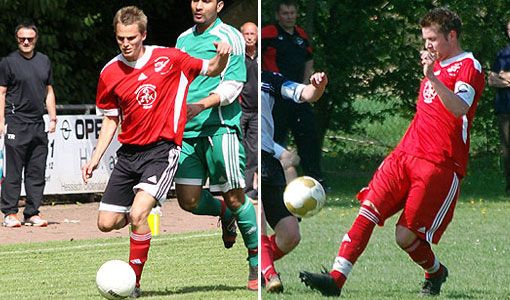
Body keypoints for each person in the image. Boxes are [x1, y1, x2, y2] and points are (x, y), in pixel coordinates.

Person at [300, 7, 485, 297]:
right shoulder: (434, 65)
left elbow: (460, 108)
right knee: (368, 210)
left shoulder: (468, 66)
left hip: (439, 163)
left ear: (452, 35)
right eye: (425, 39)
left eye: (433, 39)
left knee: (405, 236)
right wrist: (431, 73)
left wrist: (432, 78)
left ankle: (436, 272)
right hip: (404, 154)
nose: (427, 45)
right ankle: (335, 280)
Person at [81, 6, 231, 298]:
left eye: (131, 38)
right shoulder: (109, 73)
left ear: (143, 35)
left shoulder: (170, 58)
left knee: (138, 214)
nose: (125, 44)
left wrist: (222, 54)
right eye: (120, 38)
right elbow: (111, 117)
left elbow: (212, 69)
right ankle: (222, 210)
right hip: (128, 154)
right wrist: (96, 157)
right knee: (105, 223)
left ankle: (133, 284)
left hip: (163, 150)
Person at [174, 0, 259, 291]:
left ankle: (255, 261)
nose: (198, 5)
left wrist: (201, 105)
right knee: (188, 201)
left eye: (206, 0)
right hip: (187, 133)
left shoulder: (231, 37)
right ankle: (224, 213)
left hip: (220, 128)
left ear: (219, 5)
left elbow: (234, 85)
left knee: (237, 196)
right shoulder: (183, 39)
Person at [261, 70, 328, 293]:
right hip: (242, 156)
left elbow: (306, 93)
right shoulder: (228, 76)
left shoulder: (269, 79)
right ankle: (269, 274)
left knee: (290, 235)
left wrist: (317, 86)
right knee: (256, 214)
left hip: (267, 160)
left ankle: (256, 262)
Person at [261, 0, 326, 188]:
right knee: (275, 137)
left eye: (292, 13)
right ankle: (274, 178)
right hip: (276, 95)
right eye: (285, 13)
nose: (289, 16)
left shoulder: (300, 36)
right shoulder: (268, 33)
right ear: (278, 15)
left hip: (298, 92)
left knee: (308, 136)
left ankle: (315, 180)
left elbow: (308, 59)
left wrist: (306, 83)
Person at [0, 23, 57, 228]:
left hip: (37, 123)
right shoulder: (8, 62)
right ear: (17, 39)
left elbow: (49, 91)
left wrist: (52, 118)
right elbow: (2, 93)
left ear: (36, 39)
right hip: (16, 122)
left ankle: (32, 212)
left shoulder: (44, 61)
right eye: (22, 38)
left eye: (30, 38)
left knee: (36, 171)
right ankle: (10, 213)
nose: (26, 42)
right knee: (14, 171)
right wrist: (1, 122)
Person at [488, 19, 510, 196]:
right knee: (507, 150)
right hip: (505, 109)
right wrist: (502, 78)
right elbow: (491, 79)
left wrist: (504, 77)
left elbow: (498, 78)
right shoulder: (502, 55)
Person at [240, 21, 258, 200]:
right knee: (239, 149)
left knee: (254, 151)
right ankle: (238, 188)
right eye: (247, 34)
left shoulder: (263, 57)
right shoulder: (237, 57)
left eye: (253, 33)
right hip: (240, 110)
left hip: (257, 112)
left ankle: (250, 189)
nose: (250, 37)